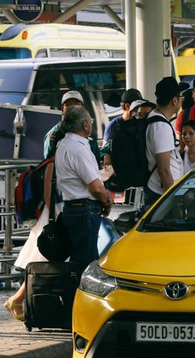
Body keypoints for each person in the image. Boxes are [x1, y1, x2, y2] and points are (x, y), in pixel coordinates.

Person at [56, 106, 113, 280]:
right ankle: (81, 303)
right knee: (87, 264)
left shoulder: (64, 144)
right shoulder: (78, 148)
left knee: (80, 260)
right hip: (84, 210)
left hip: (73, 208)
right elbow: (95, 187)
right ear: (85, 126)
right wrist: (106, 200)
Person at [145, 77, 185, 210]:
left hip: (159, 192)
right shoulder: (160, 126)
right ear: (174, 100)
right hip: (160, 194)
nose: (181, 100)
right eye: (180, 97)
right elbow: (164, 170)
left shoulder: (155, 120)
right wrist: (173, 201)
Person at [44, 91, 100, 164]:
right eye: (68, 105)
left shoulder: (88, 130)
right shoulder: (54, 133)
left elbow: (96, 161)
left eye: (77, 104)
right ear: (62, 110)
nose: (73, 107)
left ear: (83, 108)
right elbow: (48, 161)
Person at [101, 89, 143, 166]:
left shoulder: (140, 122)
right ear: (127, 106)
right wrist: (106, 155)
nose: (140, 109)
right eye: (137, 106)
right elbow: (105, 150)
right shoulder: (114, 125)